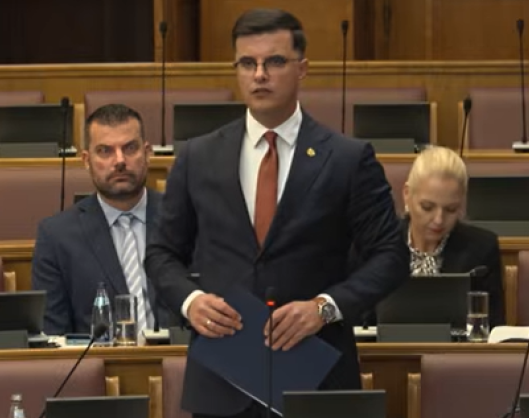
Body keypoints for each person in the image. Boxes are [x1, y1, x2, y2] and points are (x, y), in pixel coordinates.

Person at [144, 8, 408, 418]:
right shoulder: (198, 156)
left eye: (275, 61)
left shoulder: (347, 159)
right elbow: (161, 254)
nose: (259, 75)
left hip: (316, 375)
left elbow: (391, 256)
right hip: (223, 380)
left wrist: (324, 307)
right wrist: (191, 301)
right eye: (247, 63)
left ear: (302, 68)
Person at [32, 104, 175, 337]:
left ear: (147, 153)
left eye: (130, 148)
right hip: (100, 359)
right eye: (105, 151)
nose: (120, 161)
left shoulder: (183, 218)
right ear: (86, 160)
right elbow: (53, 336)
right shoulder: (57, 236)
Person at [401, 145, 505, 326]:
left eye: (450, 209)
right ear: (407, 195)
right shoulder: (375, 243)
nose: (439, 220)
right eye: (427, 207)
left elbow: (493, 326)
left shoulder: (481, 249)